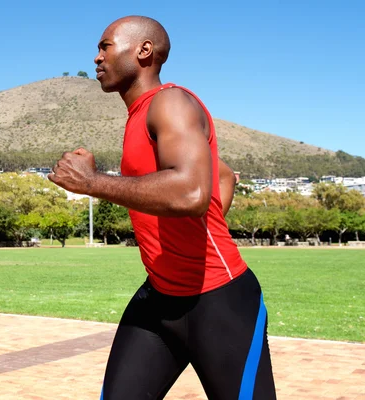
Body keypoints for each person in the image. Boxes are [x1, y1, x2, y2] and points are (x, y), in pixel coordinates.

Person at [48, 15, 276, 400]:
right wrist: (207, 214)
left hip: (219, 301)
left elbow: (191, 193)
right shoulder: (140, 116)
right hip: (158, 301)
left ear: (144, 51)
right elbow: (220, 176)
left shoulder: (170, 103)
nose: (96, 58)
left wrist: (92, 183)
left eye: (105, 46)